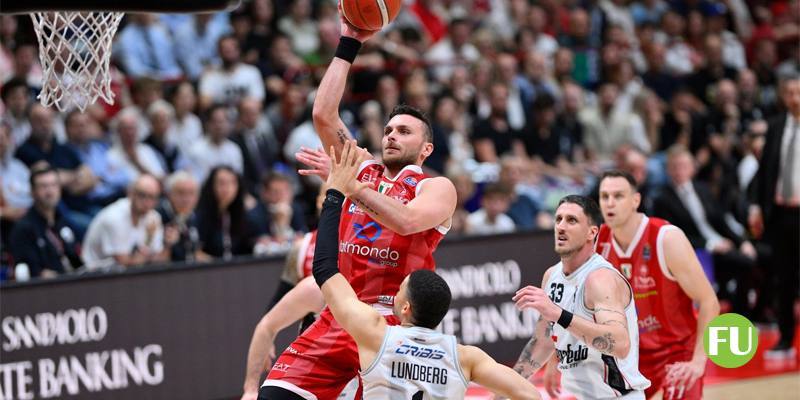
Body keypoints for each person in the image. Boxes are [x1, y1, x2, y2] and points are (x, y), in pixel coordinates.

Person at [260, 9, 457, 397]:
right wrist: (349, 42)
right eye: (387, 130)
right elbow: (323, 114)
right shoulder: (361, 168)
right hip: (339, 315)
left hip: (393, 325)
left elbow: (404, 221)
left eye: (404, 131)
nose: (391, 136)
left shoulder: (437, 187)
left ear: (426, 148)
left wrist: (348, 187)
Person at [304, 143, 541, 399]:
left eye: (400, 290)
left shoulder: (376, 336)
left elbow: (325, 268)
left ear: (405, 307)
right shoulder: (464, 356)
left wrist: (336, 190)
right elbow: (530, 394)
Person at [592, 171, 720, 400]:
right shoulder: (597, 243)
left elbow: (710, 301)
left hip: (676, 351)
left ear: (635, 200)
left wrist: (698, 362)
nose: (610, 203)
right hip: (628, 357)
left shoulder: (666, 238)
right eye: (605, 196)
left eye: (618, 196)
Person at [510, 194, 651, 399]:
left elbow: (620, 345)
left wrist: (558, 314)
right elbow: (543, 342)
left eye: (571, 220)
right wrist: (505, 390)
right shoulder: (552, 276)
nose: (561, 226)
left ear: (591, 232)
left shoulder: (600, 279)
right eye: (558, 219)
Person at [749, 74, 800, 357]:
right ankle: (785, 340)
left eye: (798, 92)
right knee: (784, 277)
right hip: (781, 213)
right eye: (789, 92)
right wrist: (756, 206)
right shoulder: (777, 126)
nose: (794, 98)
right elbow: (765, 171)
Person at [81, 174, 172, 270]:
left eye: (152, 197)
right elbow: (124, 264)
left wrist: (167, 244)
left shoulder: (153, 217)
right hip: (93, 275)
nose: (147, 202)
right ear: (131, 193)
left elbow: (160, 260)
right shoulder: (114, 218)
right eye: (142, 195)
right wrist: (148, 249)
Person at [9, 165, 81, 278]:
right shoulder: (24, 229)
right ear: (32, 191)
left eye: (54, 185)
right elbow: (31, 273)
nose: (50, 191)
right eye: (43, 186)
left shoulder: (63, 221)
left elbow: (77, 261)